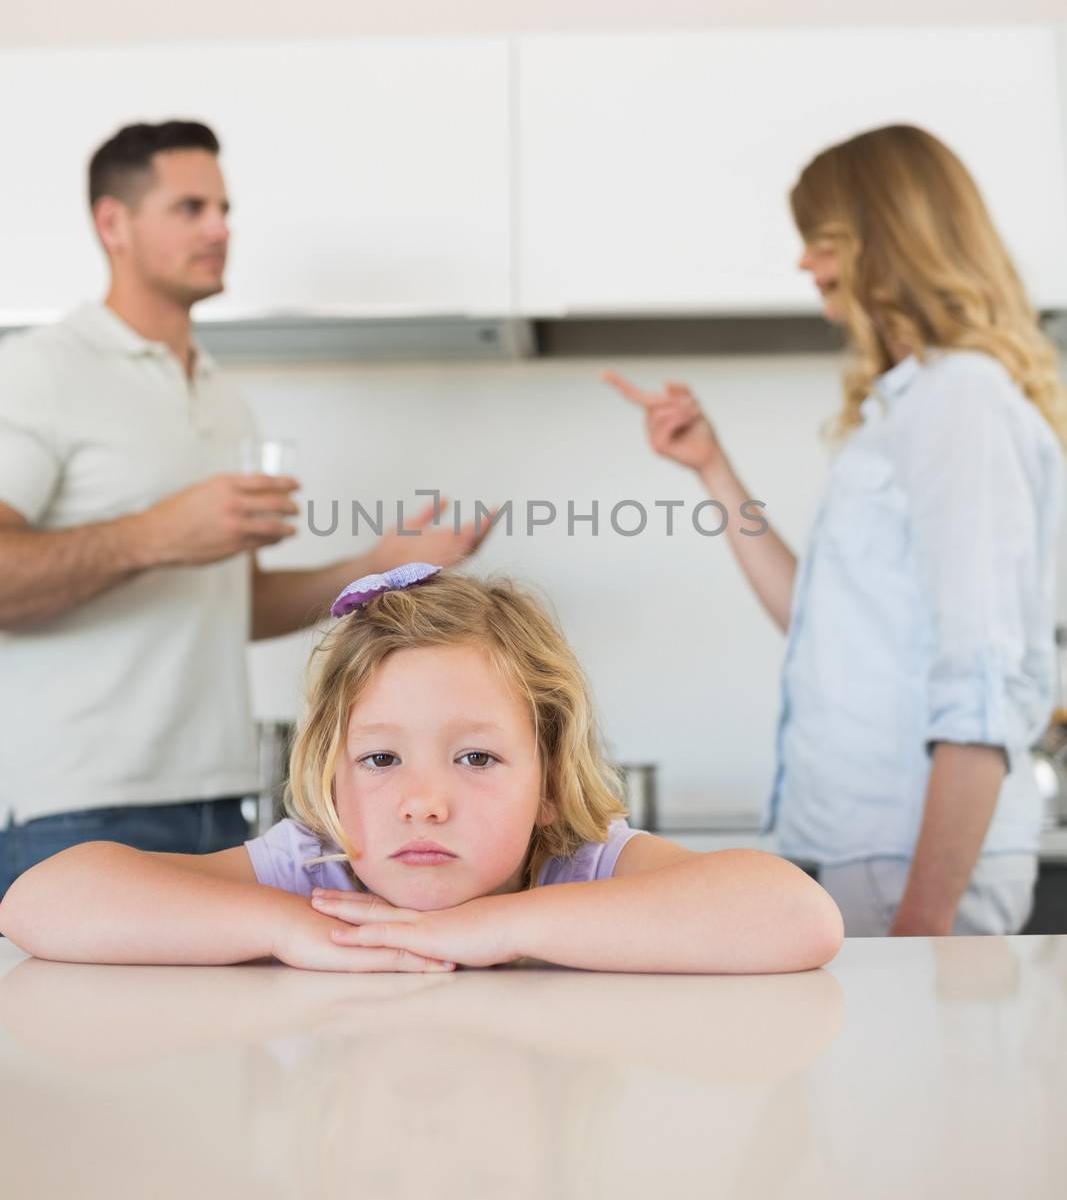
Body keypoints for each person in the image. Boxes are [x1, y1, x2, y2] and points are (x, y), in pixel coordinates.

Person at [0, 121, 488, 894]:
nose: (220, 229)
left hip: (215, 805)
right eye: (189, 208)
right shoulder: (37, 373)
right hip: (72, 809)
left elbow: (239, 604)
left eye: (224, 209)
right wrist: (157, 534)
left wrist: (375, 566)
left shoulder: (225, 401)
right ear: (112, 224)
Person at [607, 124, 1067, 938]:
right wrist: (713, 470)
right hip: (864, 853)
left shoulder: (961, 404)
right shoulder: (911, 408)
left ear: (885, 242)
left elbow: (981, 692)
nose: (802, 264)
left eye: (819, 240)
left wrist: (922, 931)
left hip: (914, 867)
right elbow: (813, 620)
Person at [0, 563, 843, 972]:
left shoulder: (577, 869)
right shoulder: (318, 875)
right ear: (330, 779)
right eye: (379, 759)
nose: (424, 802)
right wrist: (292, 931)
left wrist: (493, 929)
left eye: (476, 757)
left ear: (549, 783)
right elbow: (41, 901)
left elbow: (797, 917)